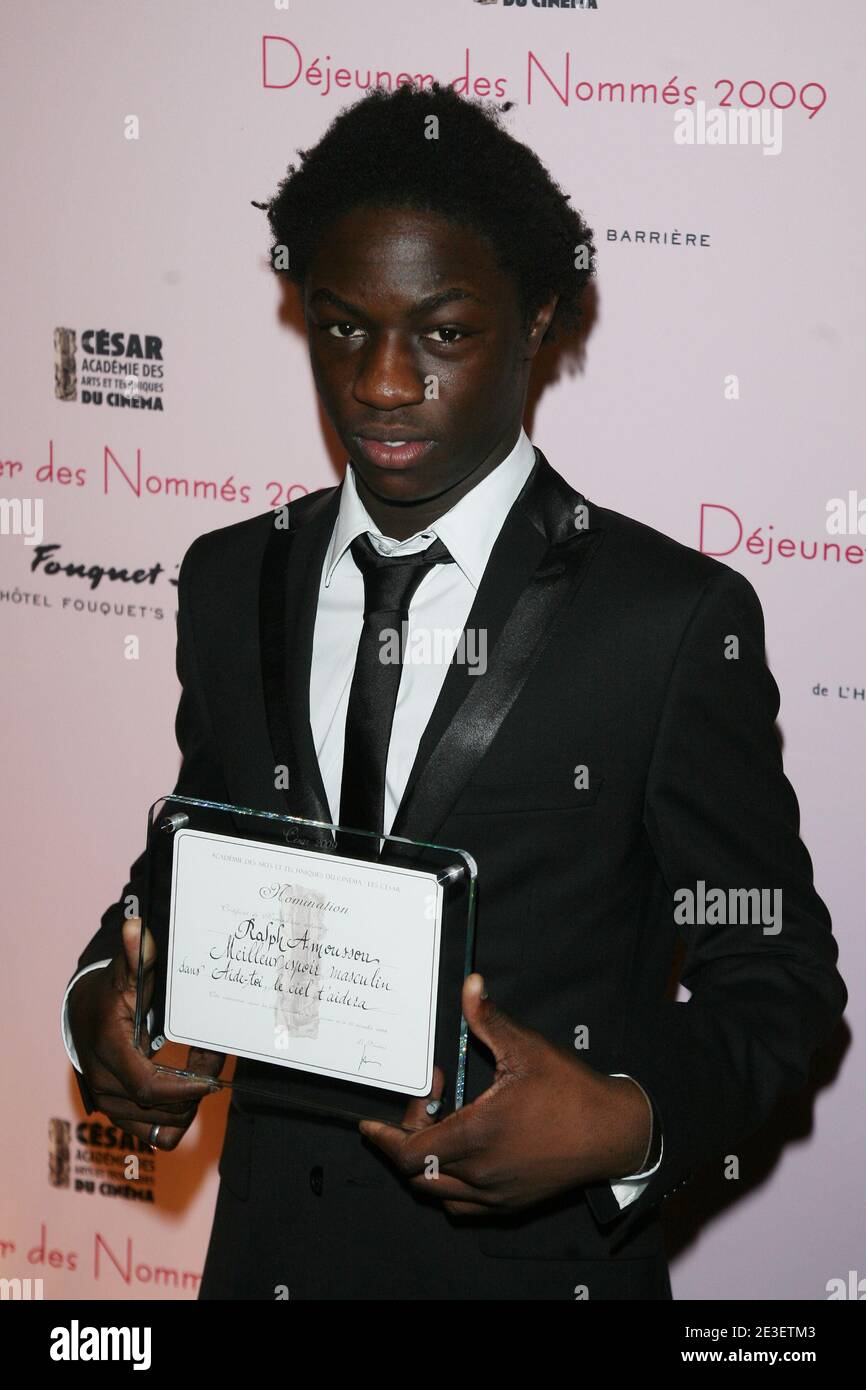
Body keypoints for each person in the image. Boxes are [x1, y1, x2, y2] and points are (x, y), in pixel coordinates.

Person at [63, 81, 846, 1301]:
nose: (380, 383)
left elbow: (777, 979)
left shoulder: (666, 620)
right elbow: (187, 867)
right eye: (339, 326)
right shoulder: (229, 580)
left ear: (536, 318)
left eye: (441, 331)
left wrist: (623, 1123)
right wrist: (99, 1003)